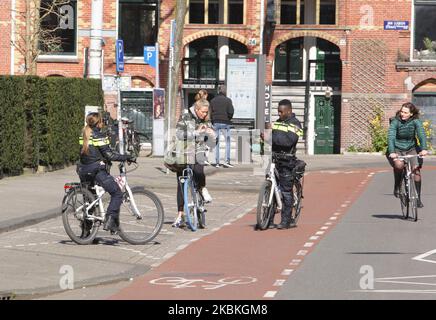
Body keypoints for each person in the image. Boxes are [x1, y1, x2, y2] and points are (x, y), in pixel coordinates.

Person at [77, 112, 135, 234]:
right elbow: (109, 154)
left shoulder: (84, 134)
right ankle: (109, 220)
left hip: (83, 170)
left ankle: (85, 233)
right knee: (117, 193)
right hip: (96, 170)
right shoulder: (99, 135)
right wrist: (126, 157)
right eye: (102, 121)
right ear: (98, 123)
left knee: (89, 201)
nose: (103, 124)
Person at [172, 99, 216, 228]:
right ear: (196, 110)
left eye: (206, 112)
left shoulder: (206, 119)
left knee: (198, 170)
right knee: (181, 183)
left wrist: (212, 135)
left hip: (198, 151)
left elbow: (212, 141)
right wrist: (196, 132)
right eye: (203, 112)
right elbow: (179, 133)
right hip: (184, 152)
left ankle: (201, 188)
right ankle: (180, 214)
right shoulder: (186, 116)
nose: (205, 114)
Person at [270, 99, 303, 229]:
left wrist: (271, 138)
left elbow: (288, 141)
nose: (279, 114)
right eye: (278, 111)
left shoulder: (296, 124)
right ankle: (268, 218)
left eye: (281, 111)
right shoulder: (278, 123)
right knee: (273, 188)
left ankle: (286, 220)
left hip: (287, 160)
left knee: (286, 191)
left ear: (289, 111)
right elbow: (272, 138)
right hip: (275, 158)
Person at [388, 102, 428, 207]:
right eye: (402, 111)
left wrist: (424, 149)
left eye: (405, 112)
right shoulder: (395, 121)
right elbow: (391, 136)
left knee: (416, 170)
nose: (402, 114)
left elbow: (421, 135)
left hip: (412, 148)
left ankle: (418, 198)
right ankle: (397, 186)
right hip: (397, 148)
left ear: (411, 114)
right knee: (399, 165)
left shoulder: (416, 121)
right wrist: (392, 151)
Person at [210, 85, 234, 168]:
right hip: (225, 122)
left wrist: (213, 120)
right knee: (227, 142)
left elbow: (210, 112)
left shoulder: (213, 101)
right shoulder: (228, 100)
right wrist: (228, 118)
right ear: (225, 92)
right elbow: (231, 111)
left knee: (216, 142)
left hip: (216, 122)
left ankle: (217, 162)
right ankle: (227, 161)